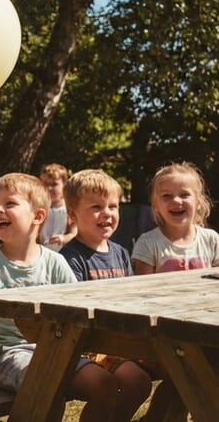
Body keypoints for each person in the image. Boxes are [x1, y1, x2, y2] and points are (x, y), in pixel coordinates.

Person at [0, 172, 148, 421]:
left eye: (9, 203)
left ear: (38, 216)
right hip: (7, 353)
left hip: (56, 350)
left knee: (104, 384)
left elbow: (78, 309)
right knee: (50, 385)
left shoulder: (55, 262)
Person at [132, 162, 219, 419]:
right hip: (164, 334)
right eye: (166, 196)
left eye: (184, 194)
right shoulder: (149, 243)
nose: (176, 201)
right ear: (155, 205)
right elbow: (141, 295)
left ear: (199, 201)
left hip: (208, 328)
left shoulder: (211, 240)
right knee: (203, 368)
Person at [58, 169, 153, 415]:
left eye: (113, 206)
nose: (107, 213)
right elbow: (75, 313)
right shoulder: (70, 258)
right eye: (96, 207)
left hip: (122, 340)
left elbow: (131, 299)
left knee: (178, 367)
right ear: (72, 215)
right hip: (90, 345)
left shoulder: (120, 252)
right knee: (136, 382)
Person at [38, 163, 76, 250]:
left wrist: (63, 239)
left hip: (64, 252)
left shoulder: (69, 208)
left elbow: (74, 234)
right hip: (43, 252)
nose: (49, 188)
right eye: (45, 184)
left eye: (54, 184)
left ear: (64, 186)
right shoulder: (39, 208)